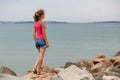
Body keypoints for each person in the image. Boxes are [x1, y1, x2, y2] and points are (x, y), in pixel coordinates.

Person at [32, 9, 49, 75]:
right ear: (41, 15)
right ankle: (35, 68)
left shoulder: (35, 23)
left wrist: (36, 40)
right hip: (42, 40)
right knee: (41, 56)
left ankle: (38, 71)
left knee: (40, 56)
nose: (44, 15)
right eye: (44, 14)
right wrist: (47, 42)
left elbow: (33, 33)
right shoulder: (42, 22)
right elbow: (44, 33)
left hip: (37, 41)